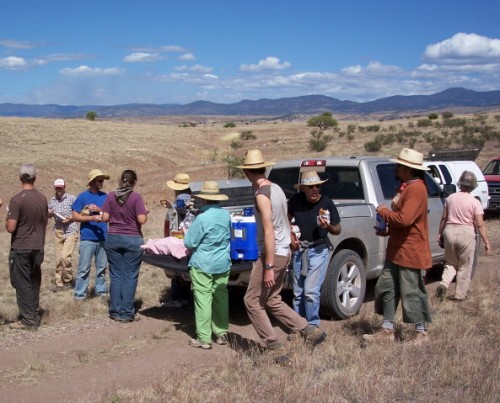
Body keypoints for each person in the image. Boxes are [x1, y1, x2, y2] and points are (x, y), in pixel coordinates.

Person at [238, 149, 327, 362]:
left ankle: (274, 346)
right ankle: (308, 331)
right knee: (272, 299)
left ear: (247, 172)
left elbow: (269, 230)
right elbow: (285, 220)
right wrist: (290, 242)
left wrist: (268, 266)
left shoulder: (262, 195)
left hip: (272, 253)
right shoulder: (276, 188)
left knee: (251, 300)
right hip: (283, 250)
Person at [363, 148, 433, 345]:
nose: (396, 168)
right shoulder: (406, 187)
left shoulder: (416, 189)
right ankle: (387, 330)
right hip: (397, 250)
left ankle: (421, 333)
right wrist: (386, 229)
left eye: (399, 166)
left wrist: (384, 211)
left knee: (412, 291)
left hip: (410, 251)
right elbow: (401, 221)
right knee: (387, 287)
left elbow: (404, 219)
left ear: (409, 169)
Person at [288, 171, 341, 327]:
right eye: (310, 186)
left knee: (310, 291)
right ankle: (298, 326)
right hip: (299, 250)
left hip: (319, 249)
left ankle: (312, 325)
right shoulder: (296, 200)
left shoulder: (327, 203)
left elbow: (338, 229)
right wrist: (290, 236)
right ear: (303, 188)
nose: (315, 189)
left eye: (317, 186)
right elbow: (286, 218)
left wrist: (328, 226)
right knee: (298, 293)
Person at [183, 181, 231, 349]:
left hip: (203, 263)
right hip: (222, 262)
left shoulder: (202, 218)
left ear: (203, 200)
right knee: (220, 297)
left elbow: (189, 242)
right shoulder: (226, 215)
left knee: (203, 299)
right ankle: (222, 333)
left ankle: (204, 338)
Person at [435, 171, 493, 301]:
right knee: (464, 266)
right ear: (473, 185)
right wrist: (487, 242)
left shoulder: (450, 198)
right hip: (466, 233)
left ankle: (443, 284)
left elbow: (444, 218)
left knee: (450, 263)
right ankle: (459, 295)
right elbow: (480, 224)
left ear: (460, 183)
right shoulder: (474, 202)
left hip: (449, 231)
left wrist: (440, 233)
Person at [102, 170, 148, 322]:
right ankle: (127, 312)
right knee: (130, 276)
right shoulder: (136, 197)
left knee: (115, 275)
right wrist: (145, 212)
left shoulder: (110, 196)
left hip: (113, 238)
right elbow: (141, 220)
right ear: (134, 182)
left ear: (120, 181)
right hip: (132, 238)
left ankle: (115, 311)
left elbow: (105, 217)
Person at [6, 164, 48, 330]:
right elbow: (44, 221)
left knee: (22, 282)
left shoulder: (17, 199)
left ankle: (28, 320)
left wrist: (5, 218)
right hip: (38, 245)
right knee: (34, 281)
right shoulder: (42, 198)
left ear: (20, 178)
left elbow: (11, 228)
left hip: (22, 246)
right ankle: (34, 313)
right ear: (34, 178)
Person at [72, 169, 110, 300]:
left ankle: (101, 293)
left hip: (103, 238)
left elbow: (110, 215)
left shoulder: (105, 197)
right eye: (100, 180)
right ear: (92, 182)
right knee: (83, 269)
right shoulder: (83, 197)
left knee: (101, 268)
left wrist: (100, 210)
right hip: (87, 238)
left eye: (102, 180)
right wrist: (91, 218)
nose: (102, 183)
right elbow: (75, 215)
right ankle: (80, 295)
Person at [162, 173, 193, 308]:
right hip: (192, 240)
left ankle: (177, 298)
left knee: (176, 270)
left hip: (177, 239)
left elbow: (169, 223)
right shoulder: (193, 200)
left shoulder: (177, 202)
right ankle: (186, 297)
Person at [48, 178, 79, 291]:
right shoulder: (52, 200)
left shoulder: (72, 198)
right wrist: (49, 213)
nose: (59, 189)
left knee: (65, 257)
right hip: (58, 230)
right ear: (55, 188)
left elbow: (79, 211)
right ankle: (59, 283)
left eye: (61, 187)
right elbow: (48, 215)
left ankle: (68, 280)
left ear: (64, 187)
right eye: (57, 187)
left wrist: (70, 217)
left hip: (71, 229)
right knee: (58, 259)